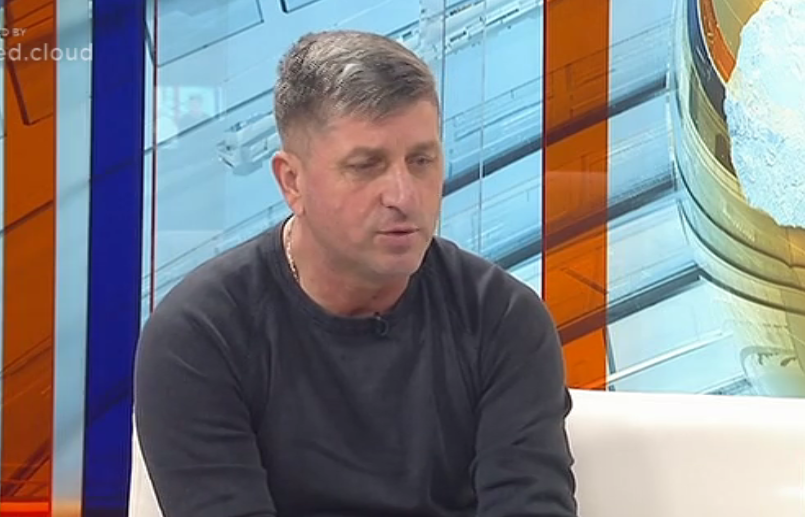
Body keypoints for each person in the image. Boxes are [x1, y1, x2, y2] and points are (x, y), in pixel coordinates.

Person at [134, 29, 578, 517]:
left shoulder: (503, 319)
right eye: (366, 166)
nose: (403, 196)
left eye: (421, 161)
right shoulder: (201, 337)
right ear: (292, 182)